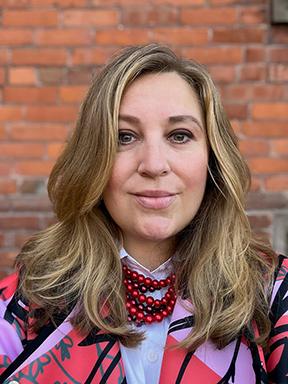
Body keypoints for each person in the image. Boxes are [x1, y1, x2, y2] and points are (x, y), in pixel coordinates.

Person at [0, 43, 287, 384]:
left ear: (212, 158)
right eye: (125, 136)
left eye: (179, 135)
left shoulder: (273, 296)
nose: (153, 165)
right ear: (94, 158)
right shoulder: (24, 305)